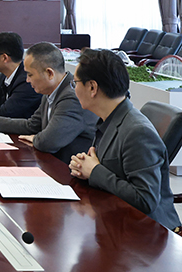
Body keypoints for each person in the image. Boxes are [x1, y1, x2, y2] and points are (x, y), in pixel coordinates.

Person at [69, 49, 181, 231]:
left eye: (75, 83)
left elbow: (145, 200)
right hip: (117, 219)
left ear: (92, 88)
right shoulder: (109, 119)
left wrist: (95, 171)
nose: (73, 89)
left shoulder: (138, 131)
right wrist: (85, 168)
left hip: (149, 233)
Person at [0, 42, 97, 164]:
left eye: (30, 75)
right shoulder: (50, 90)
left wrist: (37, 138)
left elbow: (48, 142)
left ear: (49, 73)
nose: (27, 80)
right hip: (51, 163)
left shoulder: (71, 97)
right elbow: (31, 125)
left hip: (68, 171)